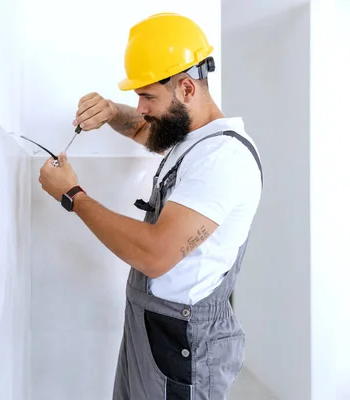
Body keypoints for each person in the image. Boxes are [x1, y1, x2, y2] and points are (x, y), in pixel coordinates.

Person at [38, 12, 263, 400]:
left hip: (183, 342)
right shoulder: (192, 139)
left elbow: (156, 254)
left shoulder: (221, 158)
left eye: (147, 96)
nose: (140, 108)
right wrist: (111, 111)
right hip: (155, 324)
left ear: (187, 89)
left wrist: (73, 195)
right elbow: (146, 130)